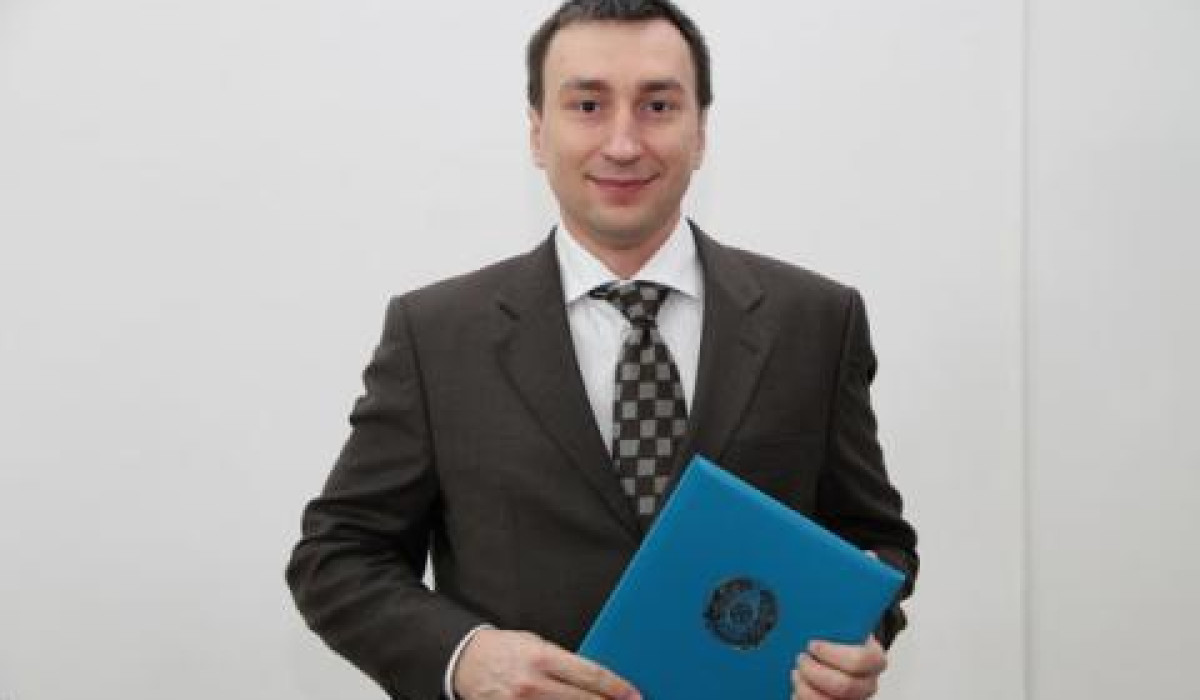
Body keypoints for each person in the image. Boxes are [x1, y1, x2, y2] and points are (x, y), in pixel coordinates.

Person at [286, 1, 918, 699]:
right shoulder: (434, 335)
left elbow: (876, 540)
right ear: (537, 132)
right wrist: (465, 658)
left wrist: (861, 636)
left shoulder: (817, 321)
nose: (622, 143)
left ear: (701, 131)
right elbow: (337, 555)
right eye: (587, 105)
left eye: (658, 106)